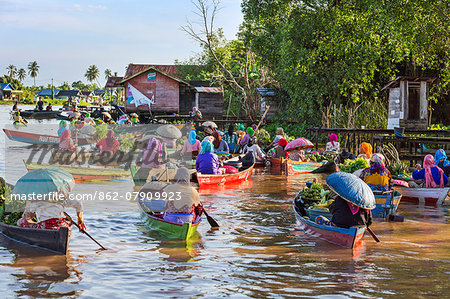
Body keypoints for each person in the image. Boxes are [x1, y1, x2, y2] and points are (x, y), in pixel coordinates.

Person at [17, 197, 85, 231]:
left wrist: (34, 213)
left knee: (20, 221)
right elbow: (78, 203)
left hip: (45, 226)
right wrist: (80, 220)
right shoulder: (61, 195)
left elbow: (27, 217)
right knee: (67, 222)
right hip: (61, 224)